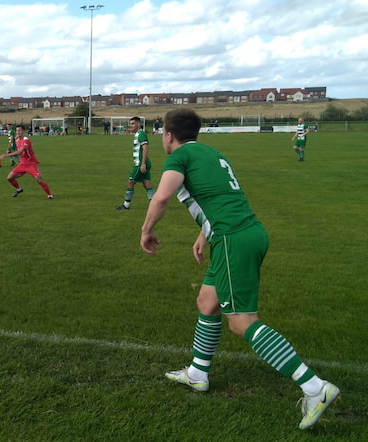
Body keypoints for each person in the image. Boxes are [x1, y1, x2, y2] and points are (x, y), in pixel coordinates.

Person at [139, 108, 339, 430]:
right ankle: (197, 374)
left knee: (241, 322)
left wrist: (146, 230)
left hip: (233, 240)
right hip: (242, 233)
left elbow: (161, 196)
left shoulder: (178, 158)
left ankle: (315, 387)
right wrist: (204, 233)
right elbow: (221, 198)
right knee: (207, 301)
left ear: (167, 135)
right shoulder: (212, 153)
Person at [0, 124, 53, 200]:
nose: (18, 132)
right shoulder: (17, 140)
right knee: (9, 178)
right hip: (22, 164)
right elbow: (17, 149)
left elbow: (20, 151)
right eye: (17, 130)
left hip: (30, 164)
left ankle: (49, 195)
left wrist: (6, 155)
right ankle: (19, 189)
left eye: (20, 130)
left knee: (39, 180)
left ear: (23, 131)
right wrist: (10, 149)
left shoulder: (26, 140)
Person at [116, 117, 154, 210]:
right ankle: (155, 205)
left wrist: (143, 164)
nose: (131, 125)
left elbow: (145, 148)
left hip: (140, 164)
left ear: (138, 124)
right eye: (130, 124)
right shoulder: (138, 133)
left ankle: (126, 205)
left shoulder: (141, 134)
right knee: (147, 184)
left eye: (133, 124)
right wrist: (129, 130)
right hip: (143, 163)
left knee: (130, 183)